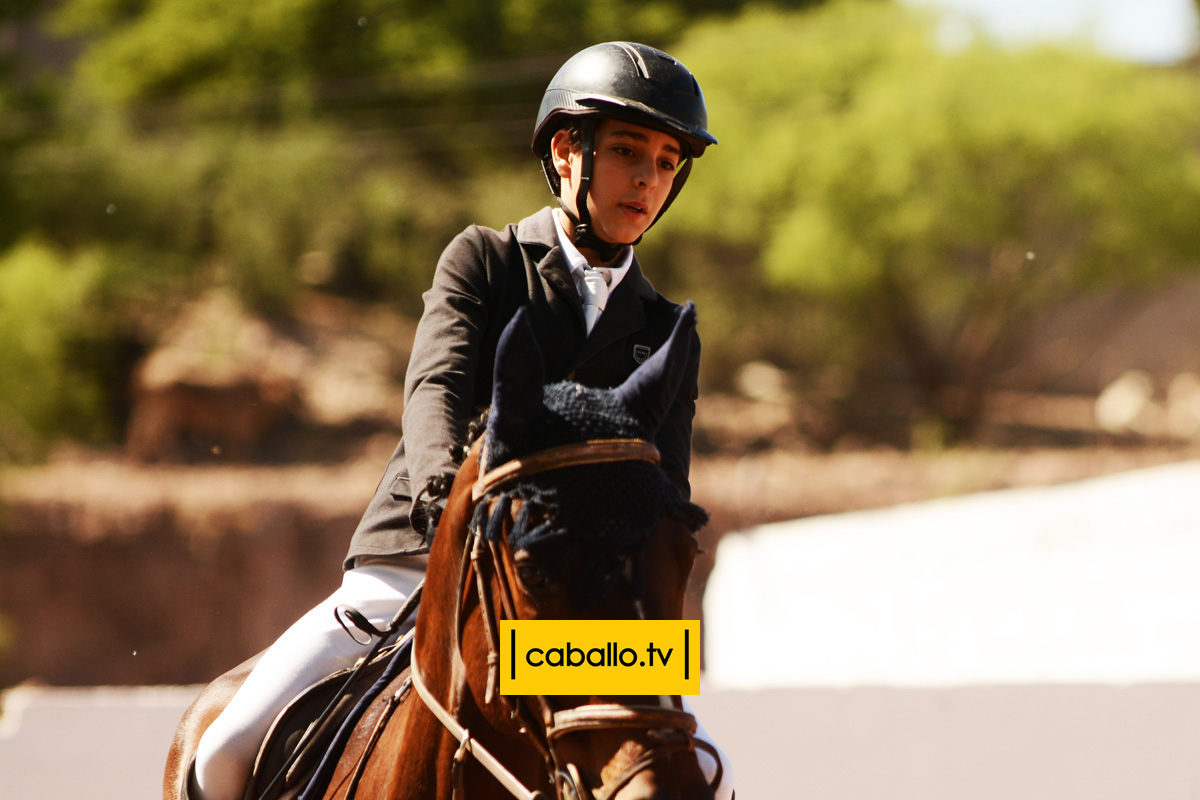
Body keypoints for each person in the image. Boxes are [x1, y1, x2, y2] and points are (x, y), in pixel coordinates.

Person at [193, 40, 733, 800]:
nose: (648, 177)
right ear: (565, 152)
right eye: (626, 151)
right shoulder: (484, 260)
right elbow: (435, 390)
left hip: (572, 613)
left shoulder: (668, 329)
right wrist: (447, 497)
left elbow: (663, 489)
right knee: (221, 754)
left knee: (708, 777)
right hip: (419, 566)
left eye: (667, 162)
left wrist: (639, 618)